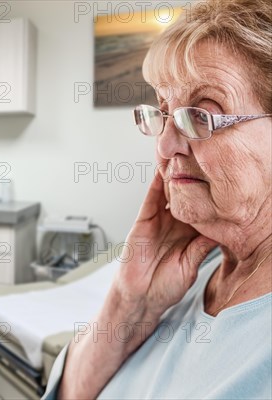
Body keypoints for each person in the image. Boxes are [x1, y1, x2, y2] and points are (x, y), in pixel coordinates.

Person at [43, 0, 271, 398]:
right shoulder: (196, 270)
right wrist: (128, 302)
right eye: (163, 113)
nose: (165, 145)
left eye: (202, 115)